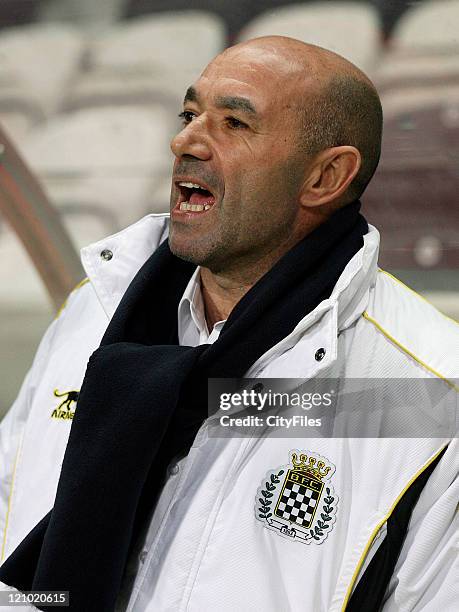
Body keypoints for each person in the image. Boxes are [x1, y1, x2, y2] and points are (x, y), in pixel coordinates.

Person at [0, 36, 457, 612]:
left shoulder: (428, 394)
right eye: (190, 114)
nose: (184, 140)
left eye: (234, 124)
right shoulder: (92, 313)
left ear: (325, 176)